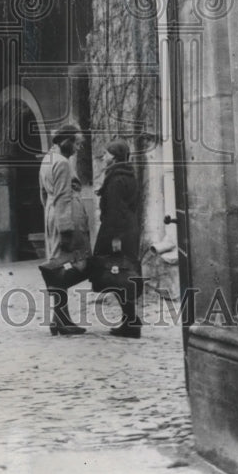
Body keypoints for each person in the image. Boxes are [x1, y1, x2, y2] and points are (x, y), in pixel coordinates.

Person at [38, 125, 90, 336]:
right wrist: (66, 228)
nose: (78, 148)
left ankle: (59, 318)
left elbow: (43, 194)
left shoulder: (47, 160)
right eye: (76, 143)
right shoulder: (62, 163)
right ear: (66, 141)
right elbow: (62, 197)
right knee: (75, 265)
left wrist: (51, 217)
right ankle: (61, 319)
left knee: (59, 265)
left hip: (52, 215)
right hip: (65, 217)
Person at [93, 137, 142, 338]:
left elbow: (114, 212)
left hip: (117, 232)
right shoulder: (129, 175)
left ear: (114, 157)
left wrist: (114, 240)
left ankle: (131, 321)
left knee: (117, 274)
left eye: (107, 153)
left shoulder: (115, 178)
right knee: (124, 274)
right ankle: (130, 319)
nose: (104, 157)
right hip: (130, 230)